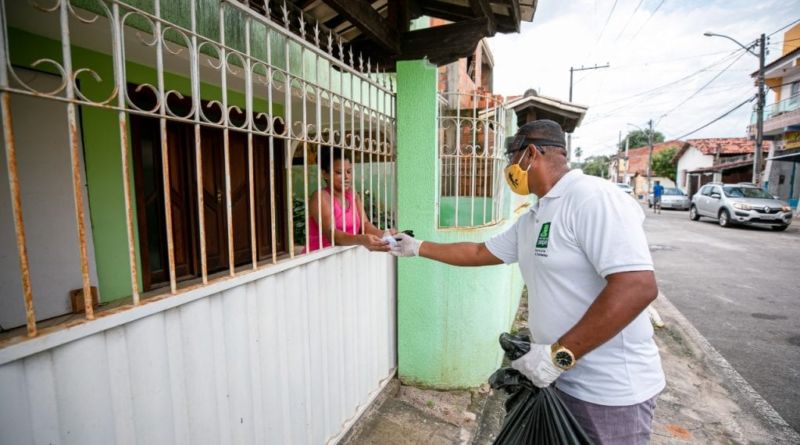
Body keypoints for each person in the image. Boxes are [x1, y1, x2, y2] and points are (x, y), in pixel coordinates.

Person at [391, 120, 665, 445]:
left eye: (511, 158)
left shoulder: (592, 198)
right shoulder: (535, 217)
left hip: (608, 393)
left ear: (531, 153)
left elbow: (637, 286)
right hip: (557, 386)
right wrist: (416, 247)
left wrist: (558, 356)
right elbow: (479, 251)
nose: (508, 168)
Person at [306, 145, 391, 253]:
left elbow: (365, 225)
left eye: (349, 172)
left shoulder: (352, 194)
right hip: (321, 259)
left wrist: (385, 234)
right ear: (325, 174)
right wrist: (361, 239)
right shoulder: (320, 197)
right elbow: (332, 234)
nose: (346, 177)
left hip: (347, 258)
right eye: (339, 172)